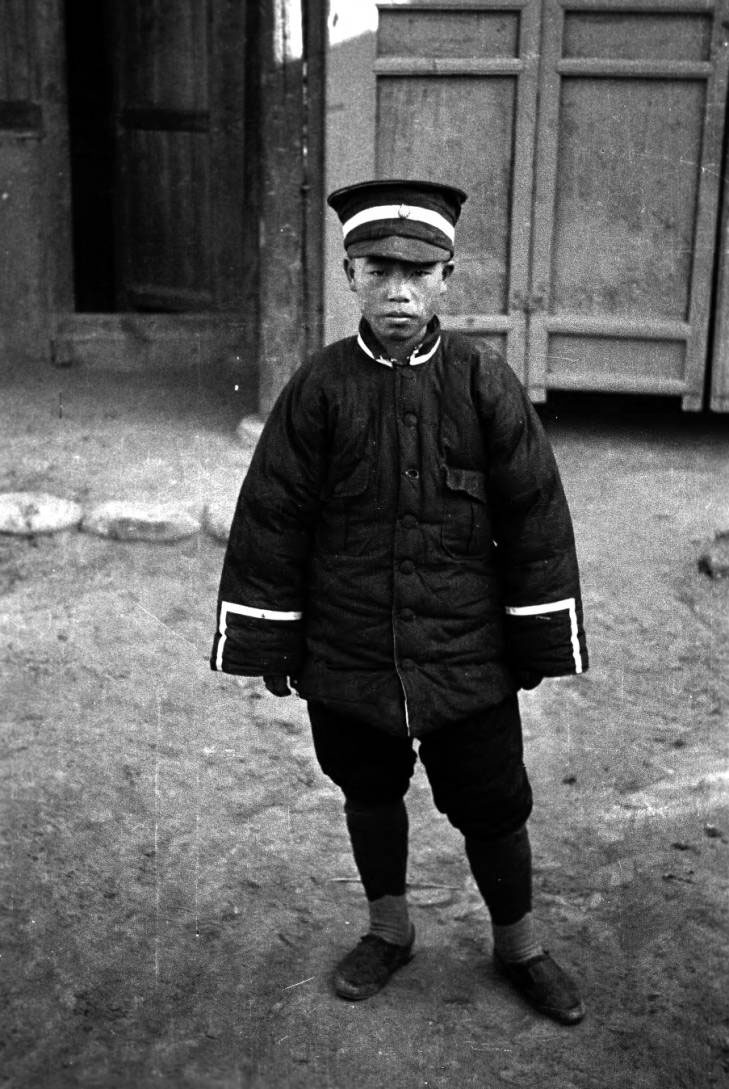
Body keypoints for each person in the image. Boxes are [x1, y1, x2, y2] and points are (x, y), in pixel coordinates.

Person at [211, 179, 589, 1025]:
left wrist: (532, 644)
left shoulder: (484, 383)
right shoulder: (317, 389)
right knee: (367, 787)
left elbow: (535, 519)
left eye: (418, 272)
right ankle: (389, 928)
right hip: (348, 651)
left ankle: (519, 942)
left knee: (493, 799)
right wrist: (272, 645)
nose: (398, 290)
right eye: (378, 268)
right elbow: (271, 518)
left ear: (448, 277)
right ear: (349, 273)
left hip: (466, 653)